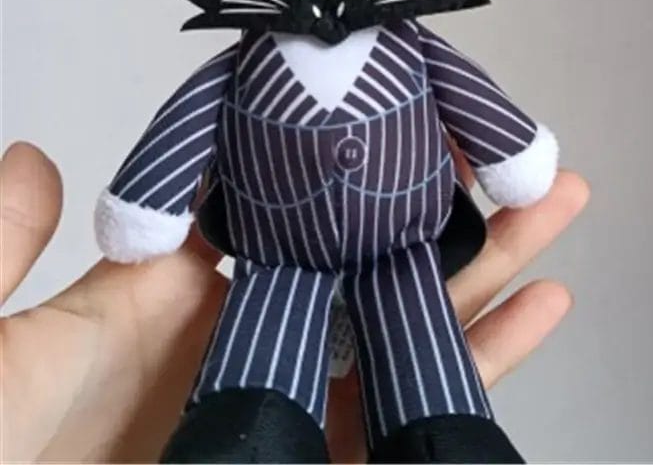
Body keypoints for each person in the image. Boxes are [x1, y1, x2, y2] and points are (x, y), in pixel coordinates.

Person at [0, 141, 588, 463]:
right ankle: (249, 433)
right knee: (254, 412)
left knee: (433, 395)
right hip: (279, 242)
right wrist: (146, 204)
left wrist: (516, 156)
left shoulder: (415, 50)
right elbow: (185, 126)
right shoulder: (247, 61)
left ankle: (447, 434)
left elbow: (483, 113)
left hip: (404, 243)